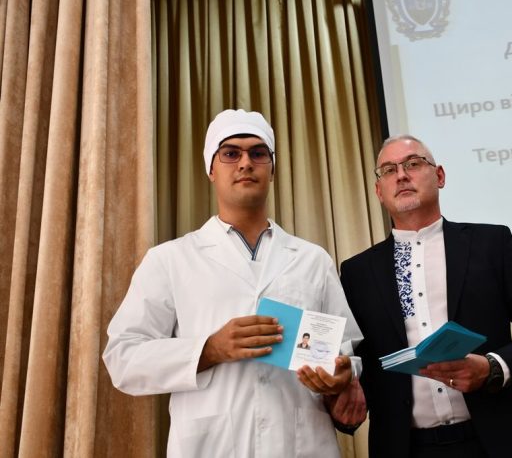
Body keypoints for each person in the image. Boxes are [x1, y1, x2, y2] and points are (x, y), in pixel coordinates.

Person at [103, 109, 364, 458]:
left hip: (302, 445)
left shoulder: (312, 259)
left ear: (272, 169)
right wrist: (209, 350)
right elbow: (123, 357)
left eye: (258, 153)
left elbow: (345, 350)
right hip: (211, 446)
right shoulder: (170, 259)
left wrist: (342, 376)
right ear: (211, 169)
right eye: (230, 153)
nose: (245, 163)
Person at [339, 135, 512, 457]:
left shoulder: (491, 244)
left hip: (498, 441)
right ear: (379, 191)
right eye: (389, 170)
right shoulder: (357, 272)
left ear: (440, 176)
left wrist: (492, 367)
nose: (401, 175)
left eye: (413, 164)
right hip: (406, 448)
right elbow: (359, 367)